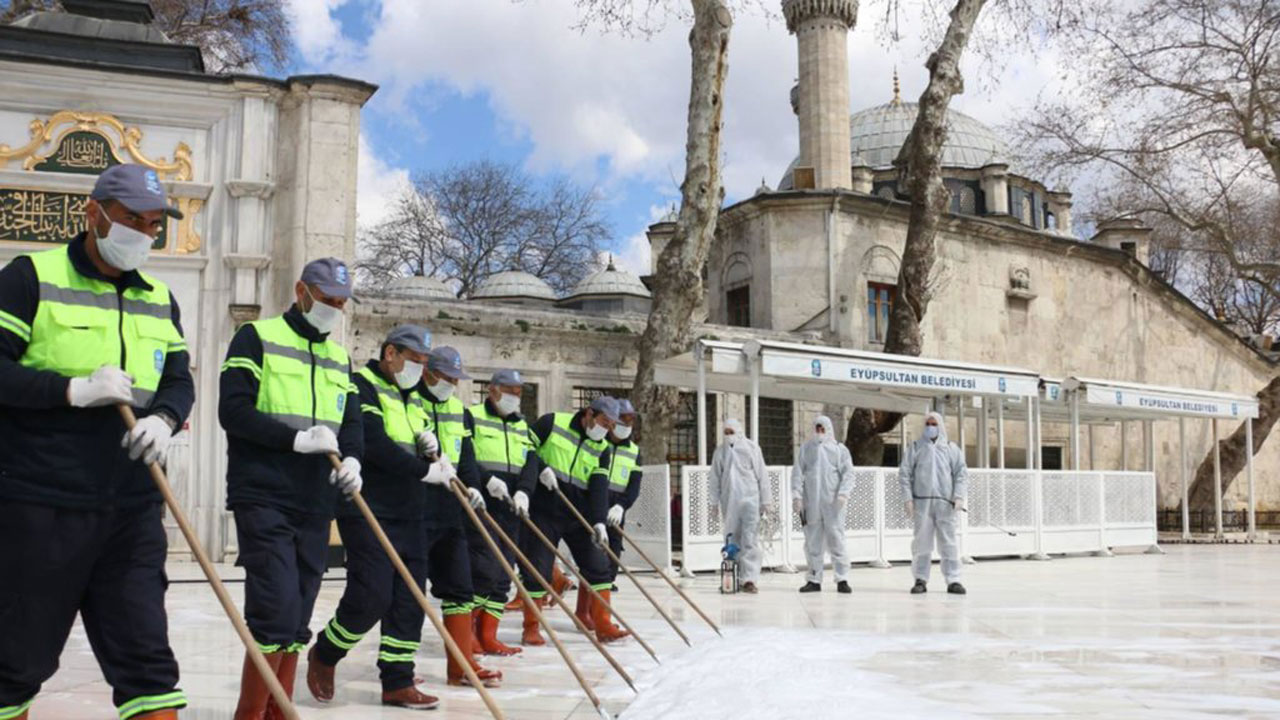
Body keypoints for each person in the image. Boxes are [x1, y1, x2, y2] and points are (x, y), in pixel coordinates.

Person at [0, 164, 193, 720]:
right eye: (134, 218)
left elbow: (180, 378)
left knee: (149, 663)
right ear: (94, 213)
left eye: (155, 224)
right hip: (40, 506)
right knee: (14, 663)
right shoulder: (30, 277)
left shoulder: (161, 297)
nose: (145, 232)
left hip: (132, 509)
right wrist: (71, 391)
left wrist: (165, 418)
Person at [219, 257, 365, 719]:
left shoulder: (340, 358)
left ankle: (277, 711)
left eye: (341, 302)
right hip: (263, 493)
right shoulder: (257, 338)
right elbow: (233, 411)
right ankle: (251, 712)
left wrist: (354, 459)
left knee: (298, 613)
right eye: (327, 300)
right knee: (275, 609)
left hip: (315, 500)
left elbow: (353, 423)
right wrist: (295, 439)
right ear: (301, 291)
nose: (334, 309)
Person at [306, 325, 442, 710]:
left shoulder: (415, 398)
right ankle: (327, 652)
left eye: (424, 363)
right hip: (368, 506)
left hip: (411, 510)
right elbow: (374, 443)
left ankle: (398, 681)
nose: (419, 369)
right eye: (414, 361)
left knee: (410, 598)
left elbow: (415, 441)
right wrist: (421, 470)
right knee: (372, 594)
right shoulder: (362, 384)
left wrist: (432, 447)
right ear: (390, 354)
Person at [416, 347, 501, 687]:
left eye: (455, 379)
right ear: (428, 374)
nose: (452, 385)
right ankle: (398, 671)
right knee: (407, 593)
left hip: (451, 511)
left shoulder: (458, 410)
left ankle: (461, 667)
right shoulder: (410, 401)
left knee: (460, 589)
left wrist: (474, 486)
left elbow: (465, 459)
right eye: (447, 378)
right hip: (415, 509)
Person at [521, 396, 626, 644]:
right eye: (604, 422)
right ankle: (531, 627)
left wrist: (599, 521)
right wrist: (540, 467)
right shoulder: (552, 423)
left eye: (612, 425)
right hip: (543, 509)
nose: (607, 429)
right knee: (538, 568)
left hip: (578, 515)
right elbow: (525, 448)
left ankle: (603, 624)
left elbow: (599, 487)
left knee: (599, 567)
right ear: (589, 414)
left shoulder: (603, 449)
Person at [467, 369, 538, 655]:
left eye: (519, 391)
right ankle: (469, 631)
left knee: (504, 573)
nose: (515, 397)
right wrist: (485, 480)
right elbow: (465, 455)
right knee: (483, 569)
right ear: (493, 390)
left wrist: (525, 491)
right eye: (510, 390)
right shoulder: (472, 416)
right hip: (482, 505)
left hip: (511, 508)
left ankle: (489, 635)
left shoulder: (523, 426)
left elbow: (532, 461)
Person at [899, 411, 968, 595]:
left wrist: (958, 496)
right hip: (922, 504)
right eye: (928, 423)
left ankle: (953, 579)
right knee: (922, 542)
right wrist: (908, 499)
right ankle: (920, 579)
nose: (930, 427)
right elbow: (905, 474)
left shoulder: (951, 448)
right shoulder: (915, 447)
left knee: (949, 542)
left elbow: (961, 473)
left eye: (934, 423)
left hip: (945, 504)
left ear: (940, 425)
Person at [592, 398, 643, 629]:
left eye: (631, 420)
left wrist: (622, 506)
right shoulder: (598, 442)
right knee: (592, 555)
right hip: (595, 501)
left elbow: (634, 486)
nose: (627, 424)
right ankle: (587, 609)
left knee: (613, 551)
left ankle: (603, 606)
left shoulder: (634, 451)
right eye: (623, 419)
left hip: (617, 506)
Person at [793, 416, 855, 594]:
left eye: (822, 429)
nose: (819, 433)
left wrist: (843, 493)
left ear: (828, 429)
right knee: (813, 542)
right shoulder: (806, 449)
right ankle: (814, 579)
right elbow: (797, 473)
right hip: (811, 503)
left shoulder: (839, 450)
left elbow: (848, 473)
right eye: (817, 429)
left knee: (836, 539)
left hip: (833, 504)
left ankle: (842, 578)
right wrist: (796, 495)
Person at [709, 418, 771, 594]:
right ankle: (732, 577)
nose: (728, 436)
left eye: (731, 432)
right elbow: (715, 478)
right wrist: (713, 502)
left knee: (750, 539)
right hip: (729, 502)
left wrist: (766, 500)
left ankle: (749, 579)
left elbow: (762, 475)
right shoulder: (720, 452)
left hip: (750, 501)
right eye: (726, 433)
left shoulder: (752, 448)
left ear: (739, 431)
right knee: (731, 540)